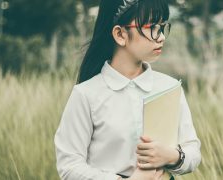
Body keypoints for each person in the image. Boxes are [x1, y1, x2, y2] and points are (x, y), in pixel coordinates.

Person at [54, 0, 201, 179]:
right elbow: (69, 166)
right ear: (120, 34)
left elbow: (193, 151)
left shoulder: (170, 87)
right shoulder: (86, 94)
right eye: (153, 27)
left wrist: (172, 156)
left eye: (162, 28)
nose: (161, 37)